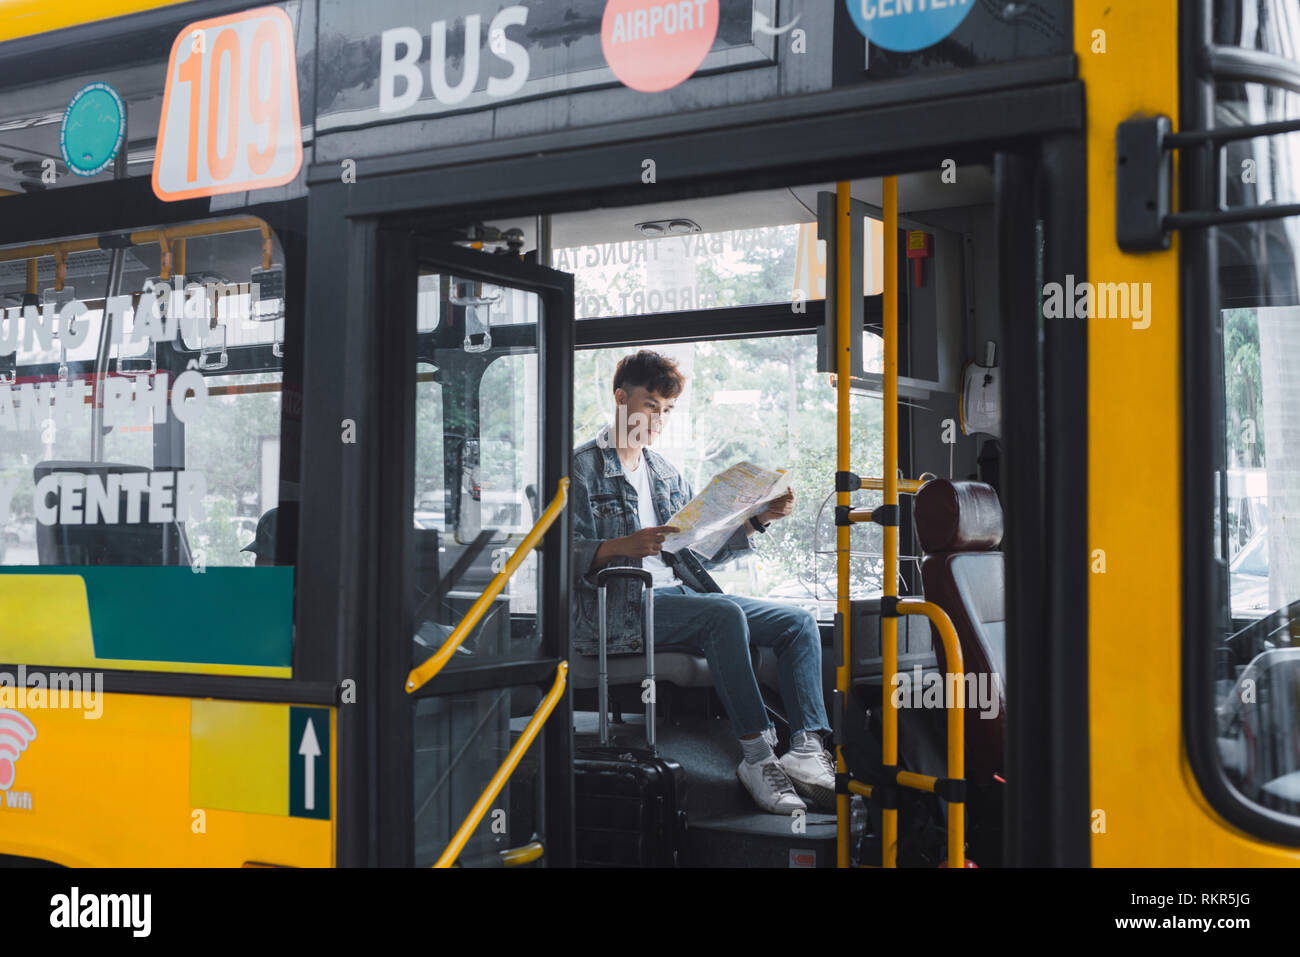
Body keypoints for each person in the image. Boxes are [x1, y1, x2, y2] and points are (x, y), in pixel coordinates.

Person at [570, 350, 835, 815]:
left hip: (678, 595)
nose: (659, 419)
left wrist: (758, 520)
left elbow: (696, 547)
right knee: (723, 614)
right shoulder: (579, 469)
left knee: (798, 623)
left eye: (667, 410)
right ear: (620, 398)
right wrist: (621, 546)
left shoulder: (665, 473)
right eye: (651, 405)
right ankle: (757, 756)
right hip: (620, 608)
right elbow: (560, 553)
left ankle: (806, 750)